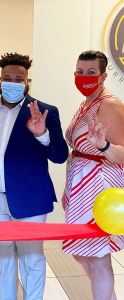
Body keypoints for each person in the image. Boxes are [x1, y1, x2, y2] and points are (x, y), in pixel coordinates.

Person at [0, 52, 68, 300]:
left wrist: (42, 133)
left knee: (32, 258)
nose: (12, 83)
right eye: (7, 77)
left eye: (19, 78)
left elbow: (59, 155)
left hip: (30, 199)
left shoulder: (45, 111)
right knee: (3, 259)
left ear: (27, 82)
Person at [62, 50, 124, 300]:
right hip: (81, 185)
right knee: (81, 251)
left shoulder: (109, 104)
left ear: (103, 75)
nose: (83, 77)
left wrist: (105, 147)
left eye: (90, 72)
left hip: (100, 187)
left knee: (98, 255)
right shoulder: (86, 103)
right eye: (79, 71)